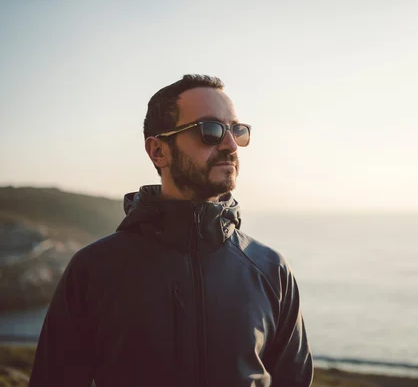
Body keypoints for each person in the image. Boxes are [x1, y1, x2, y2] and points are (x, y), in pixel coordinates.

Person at [29, 74, 313, 386]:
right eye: (210, 130)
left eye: (237, 130)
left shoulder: (271, 270)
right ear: (158, 151)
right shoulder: (94, 270)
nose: (231, 145)